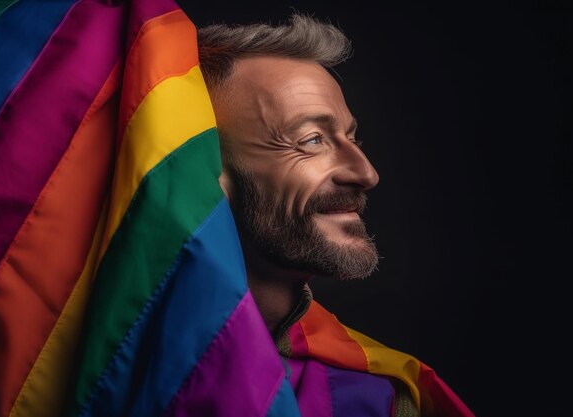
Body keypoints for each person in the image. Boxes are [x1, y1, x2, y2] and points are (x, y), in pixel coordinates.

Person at [197, 13, 475, 417]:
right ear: (203, 169)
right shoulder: (100, 368)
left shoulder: (378, 397)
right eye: (311, 140)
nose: (366, 173)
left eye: (352, 136)